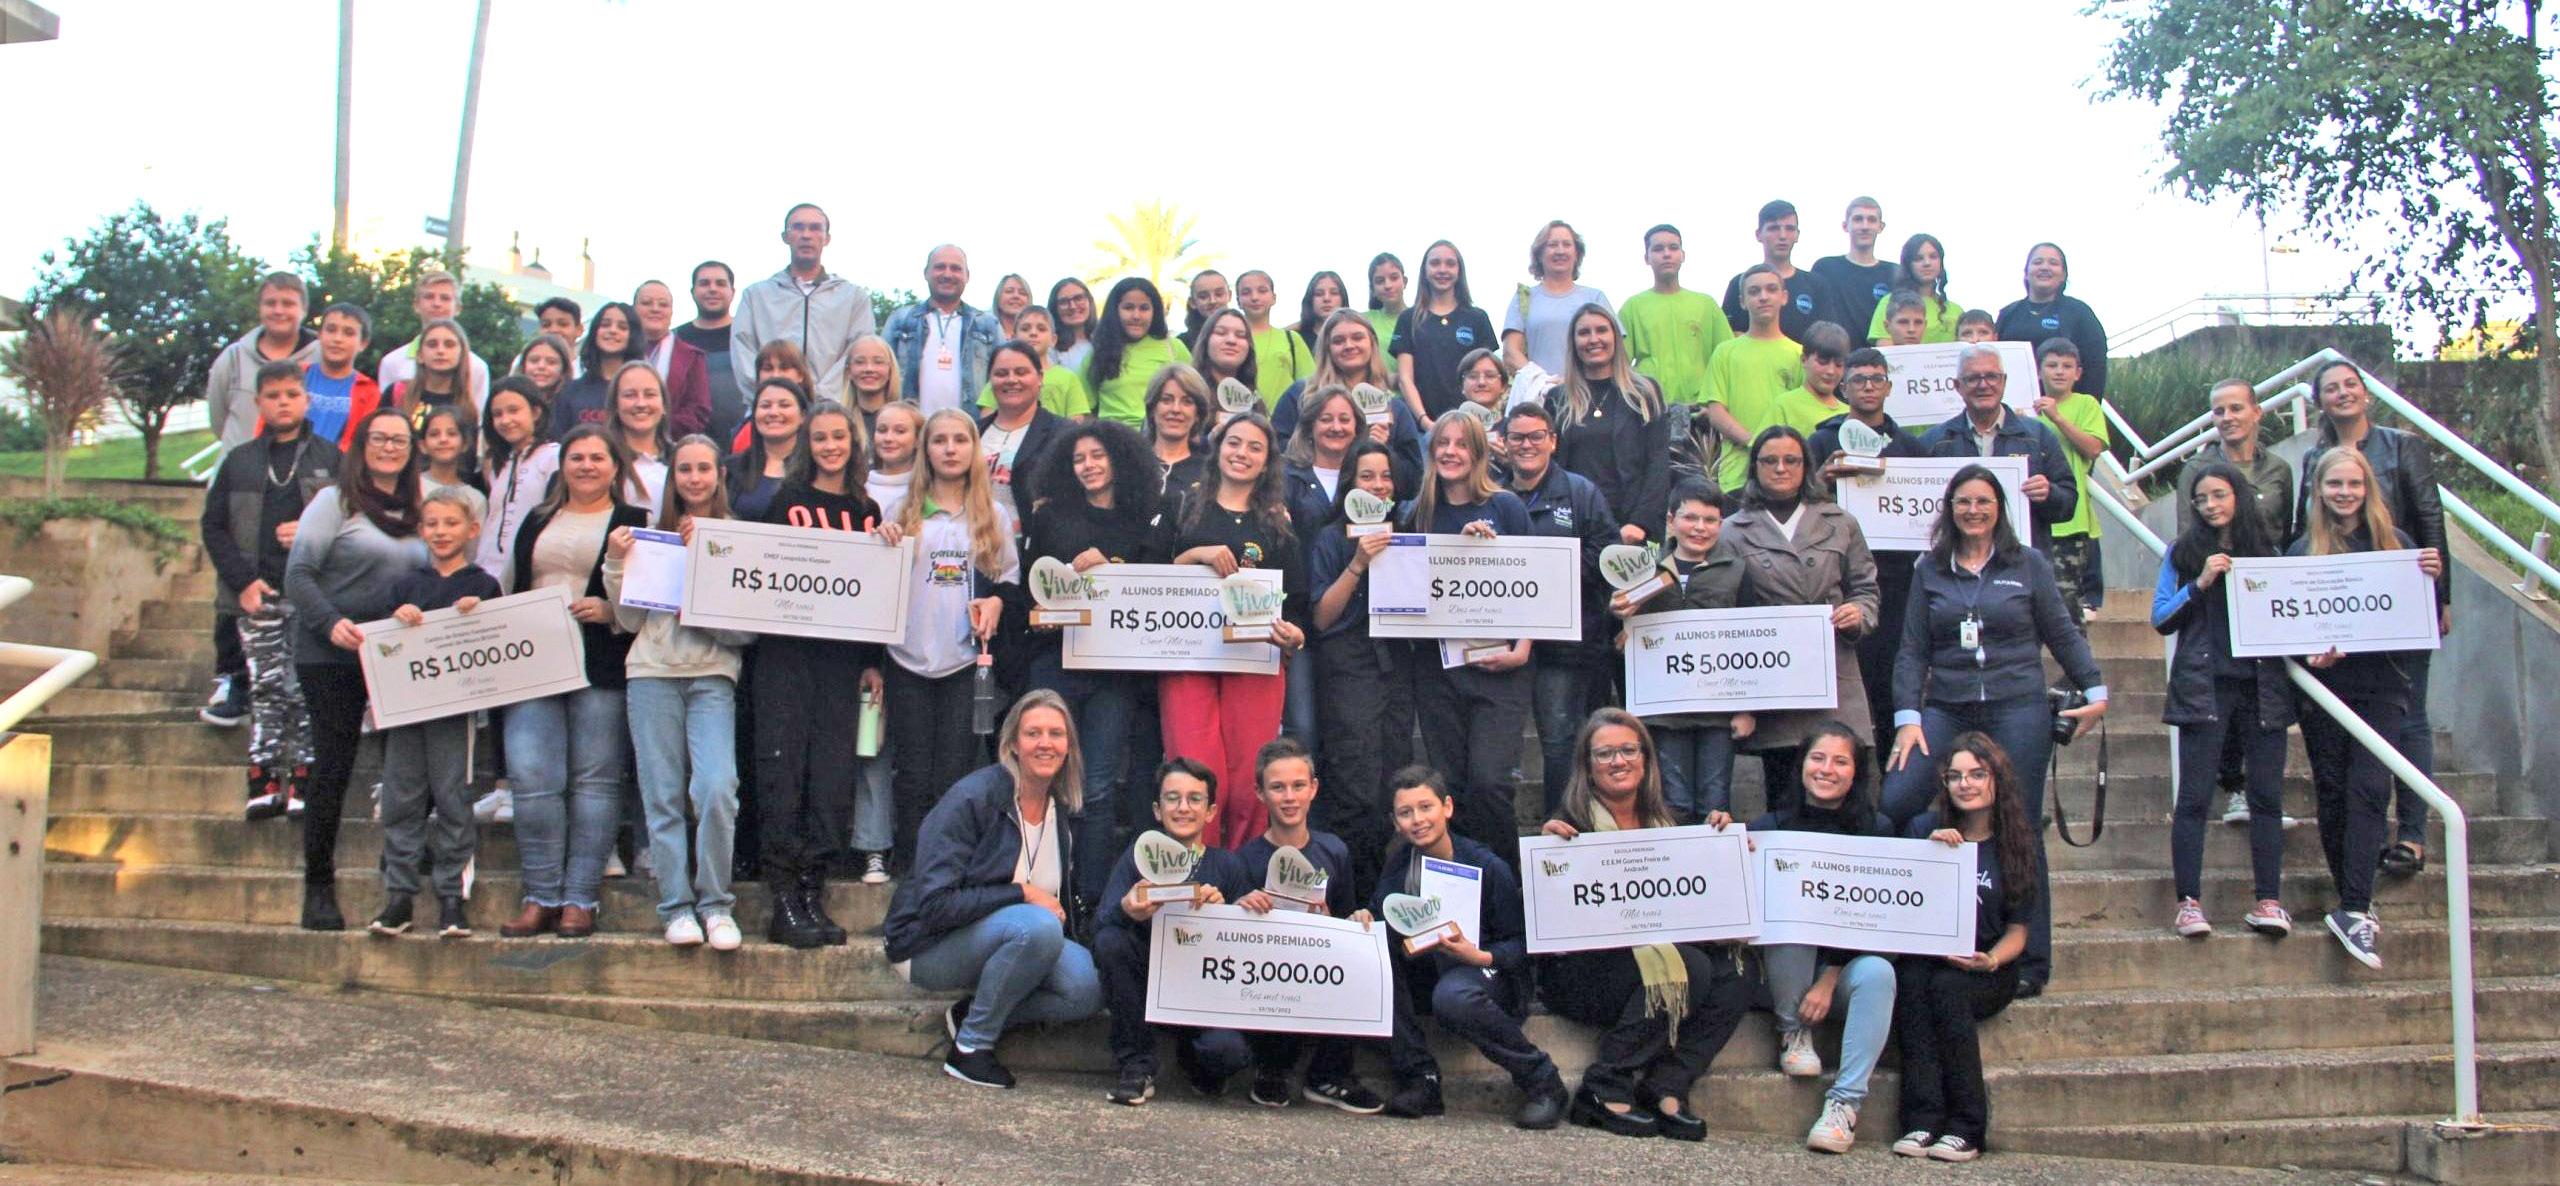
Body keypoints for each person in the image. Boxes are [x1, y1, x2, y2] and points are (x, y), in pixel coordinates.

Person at [1884, 464, 2109, 994]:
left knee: (2020, 824)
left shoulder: (2028, 564)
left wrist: (2096, 689)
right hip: (1948, 706)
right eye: (1963, 502)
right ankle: (1920, 933)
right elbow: (1912, 648)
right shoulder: (1929, 568)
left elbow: (2061, 631)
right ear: (1950, 509)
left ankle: (2030, 959)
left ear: (1999, 509)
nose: (1973, 511)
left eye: (1983, 501)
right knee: (1897, 800)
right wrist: (1908, 718)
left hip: (2017, 705)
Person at [1537, 709, 1751, 1140]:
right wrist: (1548, 863)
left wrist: (1726, 848)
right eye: (1605, 754)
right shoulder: (1568, 826)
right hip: (1584, 972)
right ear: (1587, 766)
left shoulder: (1669, 822)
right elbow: (1553, 921)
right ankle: (1603, 1086)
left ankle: (1667, 1083)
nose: (1618, 761)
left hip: (1649, 957)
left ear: (1646, 759)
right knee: (1690, 966)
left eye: (1628, 750)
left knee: (1737, 973)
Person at [882, 690, 1104, 1089]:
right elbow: (935, 905)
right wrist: (1021, 893)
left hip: (1006, 935)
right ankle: (971, 1048)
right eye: (1033, 733)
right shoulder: (975, 797)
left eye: (1056, 734)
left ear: (1069, 746)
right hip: (927, 944)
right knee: (1037, 927)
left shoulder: (1062, 809)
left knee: (1085, 989)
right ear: (1013, 744)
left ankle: (970, 1014)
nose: (1045, 743)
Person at [2293, 360, 2448, 876]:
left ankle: (2412, 834)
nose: (2342, 394)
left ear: (2366, 392)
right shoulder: (2315, 457)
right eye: (2331, 388)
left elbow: (2429, 518)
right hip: (2339, 614)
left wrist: (2440, 596)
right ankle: (2366, 841)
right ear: (2319, 400)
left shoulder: (2402, 446)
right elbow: (2302, 529)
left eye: (2350, 385)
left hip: (2400, 604)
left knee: (2412, 716)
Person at [2292, 447, 2444, 968]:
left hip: (2383, 686)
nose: (2345, 493)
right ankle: (2350, 897)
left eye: (2353, 484)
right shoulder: (2301, 551)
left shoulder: (2397, 544)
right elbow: (2287, 626)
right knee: (2334, 792)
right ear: (2319, 490)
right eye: (2334, 484)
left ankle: (2356, 906)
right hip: (2325, 690)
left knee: (2372, 790)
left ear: (2368, 488)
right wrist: (2310, 654)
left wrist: (2431, 577)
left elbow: (2418, 616)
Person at [282, 408, 428, 931]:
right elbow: (298, 574)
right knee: (334, 766)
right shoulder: (334, 501)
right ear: (361, 445)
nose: (389, 447)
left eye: (399, 440)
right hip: (333, 651)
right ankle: (318, 885)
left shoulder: (421, 506)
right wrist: (330, 622)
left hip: (395, 654)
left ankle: (401, 865)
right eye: (379, 438)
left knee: (408, 768)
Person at [606, 435, 754, 951]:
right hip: (650, 673)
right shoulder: (651, 535)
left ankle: (716, 903)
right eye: (684, 469)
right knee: (662, 795)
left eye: (703, 468)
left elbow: (746, 631)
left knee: (717, 788)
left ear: (720, 475)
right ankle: (675, 906)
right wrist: (615, 562)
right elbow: (628, 619)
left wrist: (703, 593)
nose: (694, 478)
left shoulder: (738, 536)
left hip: (712, 674)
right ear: (673, 478)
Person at [1721, 722, 1896, 1154]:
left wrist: (1830, 977)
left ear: (1856, 773)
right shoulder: (1769, 827)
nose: (1826, 769)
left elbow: (1881, 922)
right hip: (1780, 975)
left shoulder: (1878, 830)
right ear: (1801, 765)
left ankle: (1844, 1105)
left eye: (1840, 761)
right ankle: (1792, 1032)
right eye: (1817, 758)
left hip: (1841, 975)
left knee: (1878, 971)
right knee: (1790, 922)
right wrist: (1730, 851)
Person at [500, 426, 646, 941]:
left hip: (600, 660)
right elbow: (513, 585)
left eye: (597, 457)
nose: (586, 465)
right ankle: (540, 895)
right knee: (531, 778)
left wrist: (610, 610)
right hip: (535, 662)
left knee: (596, 782)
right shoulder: (538, 519)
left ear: (615, 466)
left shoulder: (634, 521)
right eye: (577, 457)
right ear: (563, 466)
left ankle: (580, 899)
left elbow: (647, 595)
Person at [756, 400, 889, 937]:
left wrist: (872, 661)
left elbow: (876, 591)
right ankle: (784, 897)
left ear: (854, 443)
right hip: (786, 658)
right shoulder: (785, 501)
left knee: (832, 778)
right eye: (820, 438)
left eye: (839, 437)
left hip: (841, 663)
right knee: (785, 773)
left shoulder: (867, 509)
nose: (831, 446)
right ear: (806, 446)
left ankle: (813, 890)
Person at [1374, 767, 1568, 1128]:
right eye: (1406, 812)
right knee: (1370, 950)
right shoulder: (1399, 866)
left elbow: (1523, 944)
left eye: (1426, 807)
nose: (1418, 820)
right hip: (1430, 972)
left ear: (1447, 807)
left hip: (1488, 975)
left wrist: (1482, 956)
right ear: (1395, 822)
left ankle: (1543, 1081)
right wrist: (1363, 919)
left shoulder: (1486, 865)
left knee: (1454, 997)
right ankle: (1421, 1078)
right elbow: (1382, 916)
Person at [2153, 463, 2296, 939]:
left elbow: (2288, 616)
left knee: (2267, 797)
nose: (2210, 505)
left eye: (2219, 494)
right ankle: (2188, 903)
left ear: (2238, 495)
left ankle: (2269, 900)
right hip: (2205, 685)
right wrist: (2199, 584)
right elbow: (2161, 617)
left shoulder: (2268, 552)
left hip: (2262, 687)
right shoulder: (2182, 552)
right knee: (2194, 797)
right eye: (2201, 499)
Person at [1023, 419, 1162, 899]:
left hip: (1113, 674)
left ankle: (1091, 897)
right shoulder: (1049, 517)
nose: (1088, 466)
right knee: (1046, 780)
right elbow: (1031, 592)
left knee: (1098, 787)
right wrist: (1046, 611)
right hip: (1055, 663)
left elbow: (1152, 590)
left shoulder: (1142, 520)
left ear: (1119, 460)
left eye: (1097, 456)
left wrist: (1111, 570)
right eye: (1079, 458)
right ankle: (1046, 888)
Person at [1160, 412, 1309, 848]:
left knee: (1249, 780)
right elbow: (1150, 581)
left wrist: (1295, 636)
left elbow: (1297, 603)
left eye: (1254, 447)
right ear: (1218, 448)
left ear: (1267, 462)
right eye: (1234, 442)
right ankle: (1195, 866)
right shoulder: (1183, 506)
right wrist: (1196, 555)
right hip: (1187, 659)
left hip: (1255, 661)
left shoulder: (1278, 522)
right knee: (1194, 771)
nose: (1242, 453)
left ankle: (1242, 869)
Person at [1893, 733, 2040, 1162]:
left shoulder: (2016, 843)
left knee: (1948, 988)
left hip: (1987, 966)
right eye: (1955, 776)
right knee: (1914, 980)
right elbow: (1899, 898)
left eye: (1977, 774)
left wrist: (1989, 960)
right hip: (1931, 955)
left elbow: (2018, 931)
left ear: (1997, 780)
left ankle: (1967, 1127)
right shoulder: (1925, 829)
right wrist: (1928, 854)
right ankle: (1921, 1120)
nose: (1965, 784)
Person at [885, 410, 1021, 872]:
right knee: (911, 774)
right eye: (939, 440)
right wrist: (881, 541)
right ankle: (911, 872)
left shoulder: (992, 514)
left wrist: (997, 602)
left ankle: (951, 868)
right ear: (925, 450)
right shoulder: (901, 512)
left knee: (955, 773)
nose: (949, 448)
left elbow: (1010, 580)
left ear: (974, 449)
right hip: (906, 659)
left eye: (960, 440)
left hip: (965, 660)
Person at [204, 361, 341, 814]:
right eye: (273, 395)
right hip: (257, 593)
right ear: (259, 403)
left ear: (307, 400)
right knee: (264, 688)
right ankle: (263, 777)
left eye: (292, 394)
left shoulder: (330, 457)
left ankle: (303, 778)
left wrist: (310, 528)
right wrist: (242, 582)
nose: (283, 403)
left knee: (304, 688)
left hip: (310, 594)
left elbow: (350, 523)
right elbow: (213, 526)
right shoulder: (240, 460)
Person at [368, 487, 503, 940]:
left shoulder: (483, 585)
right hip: (407, 711)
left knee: (453, 797)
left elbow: (496, 644)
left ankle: (451, 898)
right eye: (432, 524)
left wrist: (478, 616)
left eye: (451, 523)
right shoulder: (405, 586)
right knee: (401, 798)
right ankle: (398, 896)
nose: (441, 532)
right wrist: (397, 618)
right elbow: (383, 647)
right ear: (421, 530)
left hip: (455, 714)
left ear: (472, 529)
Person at [1726, 427, 1881, 812]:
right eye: (1769, 461)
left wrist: (1858, 614)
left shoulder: (1841, 522)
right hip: (1775, 687)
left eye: (1791, 460)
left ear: (1806, 466)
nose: (1780, 468)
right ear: (1755, 467)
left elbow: (1866, 589)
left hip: (1836, 675)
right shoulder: (1732, 531)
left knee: (1849, 801)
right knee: (1785, 801)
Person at [1232, 738, 1390, 1113]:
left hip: (1319, 969)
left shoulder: (1334, 850)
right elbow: (1231, 943)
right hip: (1267, 976)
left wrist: (1353, 919)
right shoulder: (1244, 859)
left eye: (1298, 785)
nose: (1289, 797)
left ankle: (1329, 1074)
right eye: (1278, 787)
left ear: (1314, 788)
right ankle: (1272, 1069)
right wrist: (1240, 909)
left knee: (1366, 956)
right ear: (1260, 793)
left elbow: (1347, 917)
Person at [1404, 415, 1534, 851]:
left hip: (1501, 669)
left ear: (1478, 453)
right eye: (1442, 443)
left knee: (1490, 781)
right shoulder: (1416, 513)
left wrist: (1523, 650)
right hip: (1437, 671)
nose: (1450, 452)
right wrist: (1454, 554)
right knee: (1452, 788)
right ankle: (1460, 878)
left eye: (1462, 444)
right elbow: (1403, 588)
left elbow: (1538, 584)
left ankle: (1505, 879)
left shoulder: (1506, 507)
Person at [1093, 757, 1254, 1105]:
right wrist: (1126, 909)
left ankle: (1195, 1062)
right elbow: (1100, 925)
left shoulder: (1228, 865)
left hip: (1203, 992)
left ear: (1211, 812)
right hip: (1146, 984)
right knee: (1111, 941)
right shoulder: (1137, 858)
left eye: (1194, 799)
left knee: (1229, 1053)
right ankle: (1136, 1065)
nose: (1183, 808)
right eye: (1172, 798)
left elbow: (1248, 951)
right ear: (1157, 809)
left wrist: (1226, 914)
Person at [2174, 378, 2298, 828]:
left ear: (2256, 412)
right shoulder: (2197, 468)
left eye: (2236, 408)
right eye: (2219, 411)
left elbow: (2287, 533)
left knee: (2263, 696)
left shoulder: (2279, 469)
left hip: (2263, 594)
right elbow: (2187, 539)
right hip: (2215, 594)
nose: (2227, 418)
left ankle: (2259, 790)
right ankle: (2234, 785)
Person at [1305, 439, 1416, 900]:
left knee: (1393, 781)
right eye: (1367, 476)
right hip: (1348, 666)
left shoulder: (1408, 533)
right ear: (1350, 481)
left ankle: (1386, 893)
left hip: (1398, 666)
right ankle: (1354, 899)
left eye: (1385, 476)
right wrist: (1358, 562)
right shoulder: (1331, 538)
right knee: (1356, 788)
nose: (1377, 485)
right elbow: (1320, 618)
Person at [1809, 348, 1931, 754]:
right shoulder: (1821, 440)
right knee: (1841, 687)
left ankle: (1892, 768)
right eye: (1859, 380)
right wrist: (1823, 479)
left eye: (1876, 379)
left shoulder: (1911, 446)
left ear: (1889, 387)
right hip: (1836, 579)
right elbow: (1800, 503)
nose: (1868, 387)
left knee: (1890, 681)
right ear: (1844, 388)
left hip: (1897, 579)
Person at [1503, 401, 1620, 816]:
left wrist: (1547, 571)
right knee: (1502, 749)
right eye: (1517, 437)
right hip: (1501, 639)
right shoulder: (1490, 491)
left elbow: (1607, 554)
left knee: (1559, 743)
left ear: (1553, 441)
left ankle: (1562, 822)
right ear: (1503, 442)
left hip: (1565, 645)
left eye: (1536, 436)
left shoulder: (1580, 492)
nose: (1527, 445)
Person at [1610, 482, 1751, 821]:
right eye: (1690, 518)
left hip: (1717, 709)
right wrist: (1620, 623)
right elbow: (1621, 638)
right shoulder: (1644, 569)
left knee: (1716, 804)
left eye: (1710, 520)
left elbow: (1750, 640)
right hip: (1665, 711)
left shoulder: (1736, 569)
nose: (1700, 528)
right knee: (1674, 803)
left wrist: (1747, 709)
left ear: (1721, 523)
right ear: (1671, 521)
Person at [1916, 344, 2079, 550]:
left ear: (2003, 381)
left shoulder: (2038, 436)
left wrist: (2049, 494)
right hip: (1956, 560)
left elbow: (2069, 504)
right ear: (1957, 386)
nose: (1983, 385)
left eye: (1992, 376)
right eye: (1972, 378)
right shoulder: (1934, 442)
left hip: (2021, 560)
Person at [1547, 305, 1671, 543]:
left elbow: (1658, 463)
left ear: (1616, 336)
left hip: (1630, 526)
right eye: (1584, 333)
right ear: (1573, 342)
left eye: (1601, 330)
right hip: (1574, 524)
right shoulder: (1557, 399)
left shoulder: (1644, 393)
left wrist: (1641, 522)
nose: (1593, 339)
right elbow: (1550, 464)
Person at [730, 203, 876, 403]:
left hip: (833, 410)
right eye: (798, 227)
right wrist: (775, 396)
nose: (806, 235)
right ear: (785, 237)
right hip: (772, 410)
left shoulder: (853, 297)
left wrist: (821, 398)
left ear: (827, 238)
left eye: (815, 228)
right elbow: (743, 354)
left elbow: (858, 352)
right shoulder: (756, 296)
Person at [1704, 266, 1808, 490]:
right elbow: (1716, 412)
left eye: (1771, 289)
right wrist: (1755, 444)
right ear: (1742, 301)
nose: (1763, 297)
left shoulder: (1799, 354)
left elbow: (1803, 410)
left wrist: (1777, 452)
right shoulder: (1725, 352)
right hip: (1736, 474)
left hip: (1786, 474)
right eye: (1754, 291)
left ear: (1784, 297)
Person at [2033, 338, 2112, 622]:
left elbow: (2093, 448)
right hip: (2029, 520)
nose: (2059, 371)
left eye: (2067, 366)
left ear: (2078, 373)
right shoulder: (2023, 404)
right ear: (2039, 370)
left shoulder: (2086, 404)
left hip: (2072, 522)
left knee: (2067, 609)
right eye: (2052, 365)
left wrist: (2057, 417)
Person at [1618, 224, 1732, 407]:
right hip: (1651, 405)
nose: (1666, 254)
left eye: (1673, 248)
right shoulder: (1632, 307)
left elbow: (1726, 358)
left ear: (1683, 255)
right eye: (1658, 249)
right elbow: (1619, 364)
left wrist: (1716, 403)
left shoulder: (1705, 305)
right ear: (1647, 258)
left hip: (1701, 407)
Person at [884, 245, 1005, 417]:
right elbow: (883, 375)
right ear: (926, 273)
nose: (947, 274)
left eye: (956, 268)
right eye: (940, 267)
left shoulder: (988, 325)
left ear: (967, 276)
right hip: (911, 427)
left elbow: (1002, 379)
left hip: (971, 428)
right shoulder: (900, 321)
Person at [207, 271, 317, 447]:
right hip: (240, 463)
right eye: (270, 303)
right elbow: (219, 421)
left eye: (288, 303)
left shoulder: (322, 359)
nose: (278, 311)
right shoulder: (233, 358)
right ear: (260, 308)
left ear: (303, 310)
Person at [1391, 240, 1497, 422]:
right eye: (1435, 263)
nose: (1442, 270)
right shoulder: (1408, 319)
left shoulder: (1477, 318)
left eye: (1450, 264)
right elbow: (1405, 378)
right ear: (1425, 270)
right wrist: (1424, 421)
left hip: (1470, 423)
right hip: (1422, 425)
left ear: (1459, 270)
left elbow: (1487, 378)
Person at [1719, 200, 1846, 344]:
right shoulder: (1740, 283)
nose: (1782, 236)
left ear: (1797, 235)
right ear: (1758, 234)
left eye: (1790, 229)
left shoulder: (1816, 285)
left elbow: (1827, 338)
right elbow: (1728, 333)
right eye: (1774, 228)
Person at [1994, 243, 2109, 395]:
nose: (2044, 267)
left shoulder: (2080, 313)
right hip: (2014, 403)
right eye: (2037, 262)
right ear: (2026, 273)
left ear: (2063, 275)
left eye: (2053, 263)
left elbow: (2096, 367)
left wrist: (2086, 406)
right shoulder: (2008, 314)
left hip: (2064, 405)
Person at [1502, 220, 1610, 379]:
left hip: (1588, 390)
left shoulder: (1595, 298)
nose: (1560, 251)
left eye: (1567, 244)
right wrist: (1544, 382)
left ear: (1577, 253)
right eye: (1552, 245)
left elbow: (1613, 349)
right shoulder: (1523, 298)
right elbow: (1511, 352)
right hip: (1538, 391)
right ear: (1539, 254)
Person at [976, 340, 1069, 520]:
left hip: (1035, 534)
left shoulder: (1063, 434)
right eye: (1001, 374)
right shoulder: (973, 432)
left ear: (1040, 378)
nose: (1011, 380)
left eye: (1021, 372)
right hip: (974, 533)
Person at [1083, 278, 1192, 429]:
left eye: (1144, 308)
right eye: (1128, 308)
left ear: (1155, 311)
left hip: (1162, 437)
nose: (1136, 316)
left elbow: (1194, 397)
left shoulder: (1174, 348)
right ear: (1115, 311)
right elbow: (1085, 411)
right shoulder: (1097, 353)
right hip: (1114, 438)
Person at [376, 270, 492, 397]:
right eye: (429, 297)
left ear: (458, 308)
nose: (437, 304)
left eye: (445, 298)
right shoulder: (392, 363)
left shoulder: (476, 367)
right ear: (416, 305)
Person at [387, 320, 483, 460]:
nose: (440, 351)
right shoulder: (398, 393)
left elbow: (468, 461)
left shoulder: (468, 407)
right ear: (420, 355)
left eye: (449, 345)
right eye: (432, 344)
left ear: (462, 355)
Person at [976, 306, 1093, 419]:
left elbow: (1076, 420)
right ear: (1013, 338)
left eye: (1041, 329)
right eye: (1025, 329)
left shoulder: (1068, 378)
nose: (1033, 333)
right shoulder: (1004, 378)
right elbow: (987, 417)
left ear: (1053, 340)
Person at [677, 261, 748, 446]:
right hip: (687, 445)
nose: (712, 289)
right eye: (704, 283)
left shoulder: (748, 337)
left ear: (733, 292)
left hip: (743, 443)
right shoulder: (675, 340)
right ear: (692, 291)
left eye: (720, 283)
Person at [630, 280, 712, 439]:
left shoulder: (692, 357)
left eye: (663, 305)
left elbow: (699, 411)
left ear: (671, 312)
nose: (655, 309)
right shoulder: (620, 353)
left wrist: (654, 427)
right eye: (647, 303)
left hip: (673, 444)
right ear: (633, 309)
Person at [555, 302, 648, 439]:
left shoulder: (644, 395)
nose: (613, 331)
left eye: (622, 327)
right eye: (605, 325)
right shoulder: (570, 391)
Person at [723, 376, 809, 523]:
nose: (773, 412)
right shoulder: (731, 468)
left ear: (803, 416)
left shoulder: (817, 469)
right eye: (765, 406)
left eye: (784, 405)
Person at [1811, 197, 1895, 345]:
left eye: (1871, 220)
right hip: (1836, 357)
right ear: (1845, 226)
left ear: (1881, 227)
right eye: (1858, 219)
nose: (1865, 226)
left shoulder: (1894, 273)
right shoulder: (1825, 268)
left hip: (1881, 357)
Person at [301, 303, 383, 452]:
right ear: (319, 335)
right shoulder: (297, 375)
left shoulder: (368, 391)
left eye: (349, 333)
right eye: (331, 330)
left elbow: (361, 442)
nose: (338, 339)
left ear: (363, 343)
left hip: (337, 463)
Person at [1236, 271, 1314, 412]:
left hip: (1286, 421)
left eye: (1262, 291)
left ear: (1274, 298)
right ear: (1238, 301)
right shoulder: (1233, 340)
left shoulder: (1291, 339)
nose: (1255, 297)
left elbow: (1311, 385)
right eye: (1246, 292)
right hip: (1242, 420)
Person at [1865, 234, 1962, 345]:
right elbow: (1885, 347)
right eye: (1918, 258)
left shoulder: (1956, 310)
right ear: (1908, 265)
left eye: (1933, 257)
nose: (1927, 263)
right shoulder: (1890, 302)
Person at [607, 361, 674, 509]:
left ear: (664, 405)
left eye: (650, 394)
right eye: (630, 395)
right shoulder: (602, 460)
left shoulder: (680, 459)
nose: (641, 404)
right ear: (615, 405)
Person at [1773, 322, 1854, 435]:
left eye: (1839, 364)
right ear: (1804, 360)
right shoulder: (1784, 406)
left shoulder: (1850, 414)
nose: (1831, 371)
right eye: (1823, 362)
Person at [1143, 364, 1210, 493]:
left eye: (1187, 402)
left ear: (1198, 414)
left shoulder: (1208, 471)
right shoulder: (1131, 462)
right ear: (1152, 408)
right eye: (1166, 400)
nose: (1176, 409)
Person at [1189, 305, 1260, 413]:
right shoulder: (1188, 391)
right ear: (1206, 341)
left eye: (1240, 335)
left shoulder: (1254, 401)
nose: (1231, 340)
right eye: (1221, 333)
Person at [415, 406, 484, 514]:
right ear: (423, 445)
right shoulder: (412, 487)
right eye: (434, 434)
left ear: (465, 444)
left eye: (452, 434)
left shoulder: (475, 499)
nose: (443, 439)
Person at [844, 333, 903, 439]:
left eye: (878, 362)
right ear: (848, 371)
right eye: (860, 362)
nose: (869, 369)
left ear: (890, 370)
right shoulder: (839, 421)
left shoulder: (906, 421)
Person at [1047, 277, 1098, 373]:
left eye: (1078, 298)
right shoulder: (1050, 349)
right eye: (1064, 302)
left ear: (1089, 301)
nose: (1072, 306)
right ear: (1055, 309)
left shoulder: (1108, 339)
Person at [510, 333, 573, 409]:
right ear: (523, 366)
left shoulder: (572, 405)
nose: (541, 366)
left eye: (551, 362)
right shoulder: (508, 401)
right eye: (534, 360)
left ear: (563, 369)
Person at [1180, 269, 1230, 352]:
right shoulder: (1182, 344)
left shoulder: (1244, 335)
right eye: (1203, 296)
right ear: (1192, 302)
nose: (1212, 301)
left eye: (1219, 294)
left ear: (1229, 295)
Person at [1364, 253, 1408, 349]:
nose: (1388, 285)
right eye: (1380, 281)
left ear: (1404, 282)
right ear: (1373, 289)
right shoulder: (1364, 321)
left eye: (1394, 278)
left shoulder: (1420, 319)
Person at [1295, 271, 1351, 346]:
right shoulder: (1296, 340)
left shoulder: (1354, 335)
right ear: (1310, 300)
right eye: (1319, 294)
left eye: (1334, 293)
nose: (1326, 298)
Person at [993, 273, 1035, 340]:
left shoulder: (1036, 337)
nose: (1016, 296)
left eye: (1022, 293)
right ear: (998, 297)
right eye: (1009, 291)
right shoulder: (984, 334)